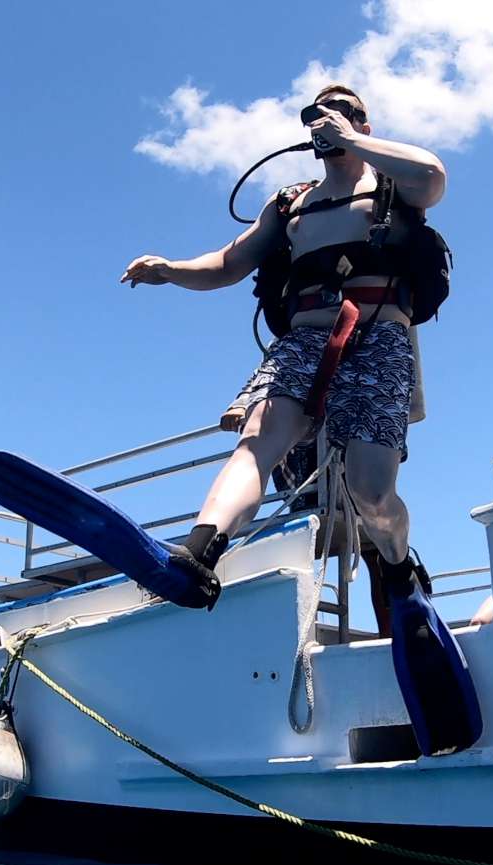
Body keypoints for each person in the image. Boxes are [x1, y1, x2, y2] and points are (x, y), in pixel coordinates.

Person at [120, 84, 447, 610]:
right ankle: (199, 554)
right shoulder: (291, 201)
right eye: (317, 112)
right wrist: (171, 270)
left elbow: (432, 175)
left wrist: (352, 141)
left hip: (378, 340)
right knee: (258, 438)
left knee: (371, 490)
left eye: (344, 110)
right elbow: (229, 262)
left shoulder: (394, 184)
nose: (327, 117)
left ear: (364, 124)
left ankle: (397, 561)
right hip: (304, 340)